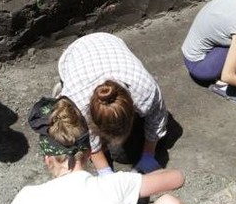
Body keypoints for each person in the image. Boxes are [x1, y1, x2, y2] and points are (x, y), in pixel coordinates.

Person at [2, 96, 185, 204]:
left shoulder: (27, 197)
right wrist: (141, 167)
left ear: (48, 159)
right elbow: (177, 178)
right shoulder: (114, 185)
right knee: (170, 203)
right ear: (90, 152)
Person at [56, 33, 169, 174]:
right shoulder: (76, 103)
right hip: (75, 55)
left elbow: (157, 120)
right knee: (117, 152)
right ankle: (62, 87)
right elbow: (88, 136)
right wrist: (104, 171)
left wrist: (148, 155)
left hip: (111, 44)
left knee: (127, 154)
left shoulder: (146, 89)